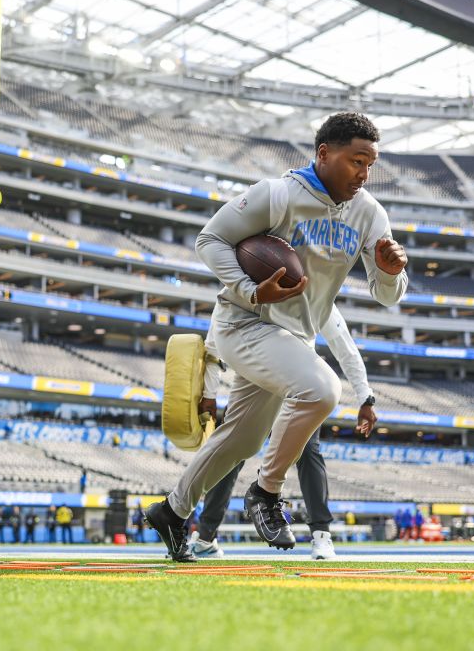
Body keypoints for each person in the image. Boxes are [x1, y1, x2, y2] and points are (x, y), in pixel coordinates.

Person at [145, 113, 407, 562]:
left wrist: (390, 271)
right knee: (322, 389)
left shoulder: (370, 213)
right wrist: (249, 287)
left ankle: (171, 511)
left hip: (292, 338)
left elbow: (388, 298)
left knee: (243, 440)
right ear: (324, 154)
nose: (364, 174)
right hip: (242, 323)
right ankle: (266, 493)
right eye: (356, 161)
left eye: (371, 165)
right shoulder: (278, 194)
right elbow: (209, 239)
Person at [188, 304, 378, 561]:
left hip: (297, 387)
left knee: (309, 453)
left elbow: (343, 345)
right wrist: (209, 394)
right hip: (256, 382)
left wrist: (365, 396)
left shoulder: (315, 293)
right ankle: (205, 537)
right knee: (231, 451)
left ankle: (321, 535)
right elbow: (214, 342)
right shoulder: (249, 288)